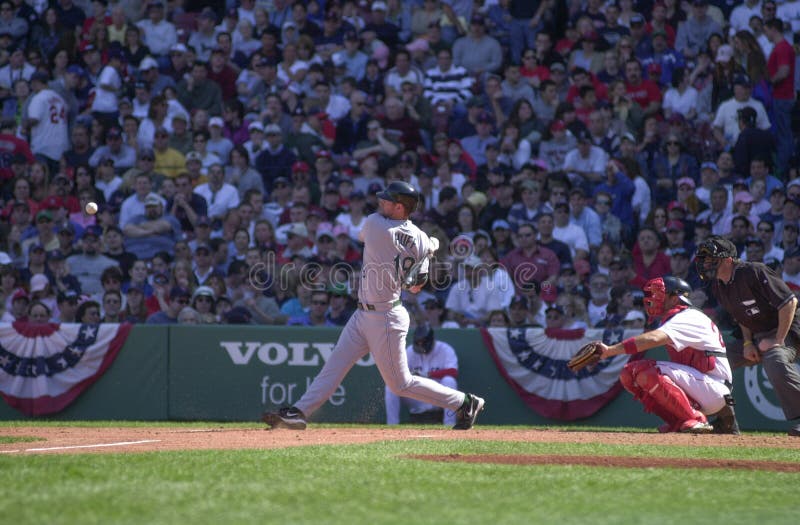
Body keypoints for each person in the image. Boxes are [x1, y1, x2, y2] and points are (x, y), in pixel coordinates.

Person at [262, 181, 484, 430]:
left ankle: (464, 402)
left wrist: (424, 246)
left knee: (401, 384)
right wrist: (427, 246)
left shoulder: (375, 224)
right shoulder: (420, 240)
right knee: (335, 365)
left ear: (400, 207)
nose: (380, 202)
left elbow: (372, 240)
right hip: (364, 313)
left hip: (386, 317)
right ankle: (299, 412)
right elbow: (415, 287)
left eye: (387, 200)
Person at [596, 276, 739, 434]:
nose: (653, 299)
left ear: (674, 298)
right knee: (628, 373)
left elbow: (653, 338)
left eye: (659, 294)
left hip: (714, 388)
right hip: (703, 385)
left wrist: (610, 350)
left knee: (645, 370)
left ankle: (696, 419)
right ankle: (679, 421)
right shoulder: (678, 317)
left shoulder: (688, 316)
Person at [695, 236, 800, 437]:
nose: (706, 264)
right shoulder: (719, 285)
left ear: (727, 260)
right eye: (705, 259)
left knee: (775, 360)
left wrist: (778, 340)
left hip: (789, 329)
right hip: (758, 335)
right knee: (713, 360)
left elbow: (789, 302)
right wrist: (747, 342)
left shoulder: (754, 271)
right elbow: (741, 315)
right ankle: (726, 421)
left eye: (711, 259)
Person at [385, 324, 459, 426]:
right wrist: (408, 375)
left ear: (431, 340)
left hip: (438, 397)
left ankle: (449, 424)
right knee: (391, 386)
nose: (420, 346)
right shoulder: (410, 351)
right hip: (417, 396)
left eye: (422, 343)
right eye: (418, 343)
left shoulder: (445, 349)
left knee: (449, 380)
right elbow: (397, 374)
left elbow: (453, 372)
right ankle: (392, 425)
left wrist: (428, 374)